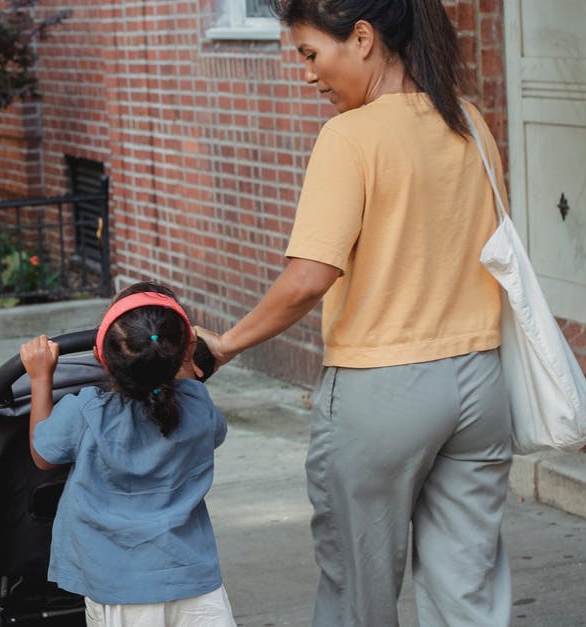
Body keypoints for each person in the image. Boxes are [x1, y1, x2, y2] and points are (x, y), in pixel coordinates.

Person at [195, 0, 513, 625]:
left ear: (362, 38)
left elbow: (308, 278)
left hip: (383, 390)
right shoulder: (470, 123)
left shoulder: (351, 136)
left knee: (358, 601)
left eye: (312, 54)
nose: (308, 75)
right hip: (480, 383)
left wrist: (225, 345)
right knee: (467, 595)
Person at [19, 281, 237, 627]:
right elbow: (196, 404)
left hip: (118, 587)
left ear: (100, 356)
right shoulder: (199, 407)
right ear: (185, 351)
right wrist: (186, 351)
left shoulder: (87, 412)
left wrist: (41, 378)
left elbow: (44, 455)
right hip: (194, 583)